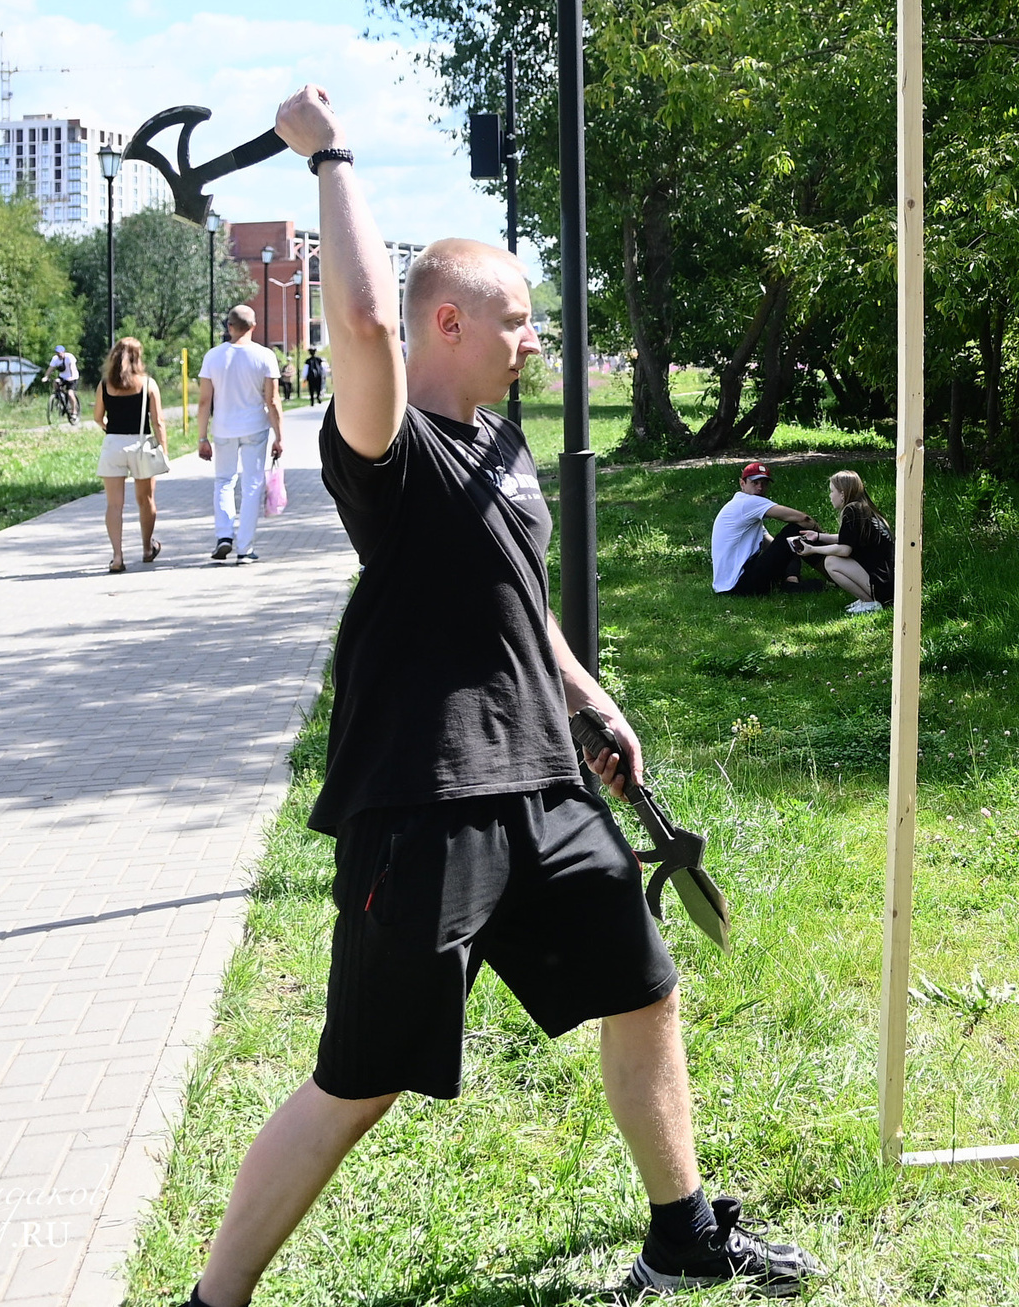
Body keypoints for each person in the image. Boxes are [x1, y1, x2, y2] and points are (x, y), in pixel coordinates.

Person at [170, 85, 821, 1307]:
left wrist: (589, 698)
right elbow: (360, 322)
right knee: (359, 1078)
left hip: (542, 784)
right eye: (517, 323)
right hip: (424, 803)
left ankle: (681, 1231)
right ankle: (211, 1302)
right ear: (452, 322)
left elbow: (516, 602)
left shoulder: (499, 448)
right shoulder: (392, 446)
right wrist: (333, 156)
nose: (536, 343)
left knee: (642, 989)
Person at [199, 305, 284, 564]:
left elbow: (204, 402)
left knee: (224, 481)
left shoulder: (213, 356)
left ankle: (224, 536)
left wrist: (202, 438)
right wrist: (280, 436)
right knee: (252, 486)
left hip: (223, 428)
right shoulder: (265, 356)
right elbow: (272, 400)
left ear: (229, 327)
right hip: (255, 428)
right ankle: (245, 548)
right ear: (254, 326)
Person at [93, 337, 168, 573]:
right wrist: (163, 449)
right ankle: (147, 548)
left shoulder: (105, 384)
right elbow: (158, 421)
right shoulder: (148, 384)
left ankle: (117, 557)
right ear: (139, 357)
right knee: (145, 500)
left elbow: (97, 417)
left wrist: (110, 428)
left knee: (114, 505)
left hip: (113, 444)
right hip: (141, 444)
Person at [708, 462, 821, 596]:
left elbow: (772, 545)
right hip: (740, 585)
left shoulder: (740, 507)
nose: (760, 487)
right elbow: (803, 519)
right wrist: (823, 537)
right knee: (795, 530)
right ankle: (833, 573)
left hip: (729, 587)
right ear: (742, 483)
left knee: (791, 543)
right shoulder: (748, 502)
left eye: (764, 483)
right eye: (755, 483)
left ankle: (791, 582)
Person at [791, 470, 892, 614]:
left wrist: (812, 550)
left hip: (880, 586)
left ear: (843, 494)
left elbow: (844, 549)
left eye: (832, 491)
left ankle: (870, 602)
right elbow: (848, 538)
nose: (830, 495)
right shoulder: (864, 509)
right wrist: (818, 537)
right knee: (833, 559)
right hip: (887, 584)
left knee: (831, 561)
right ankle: (868, 600)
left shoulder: (852, 510)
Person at [49, 344, 80, 426]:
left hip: (72, 377)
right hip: (63, 377)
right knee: (55, 382)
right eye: (57, 353)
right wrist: (45, 376)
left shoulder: (70, 357)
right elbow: (50, 368)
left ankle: (74, 411)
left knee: (70, 393)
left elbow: (72, 368)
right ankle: (59, 398)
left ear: (63, 352)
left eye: (60, 353)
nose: (59, 355)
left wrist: (72, 377)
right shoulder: (55, 359)